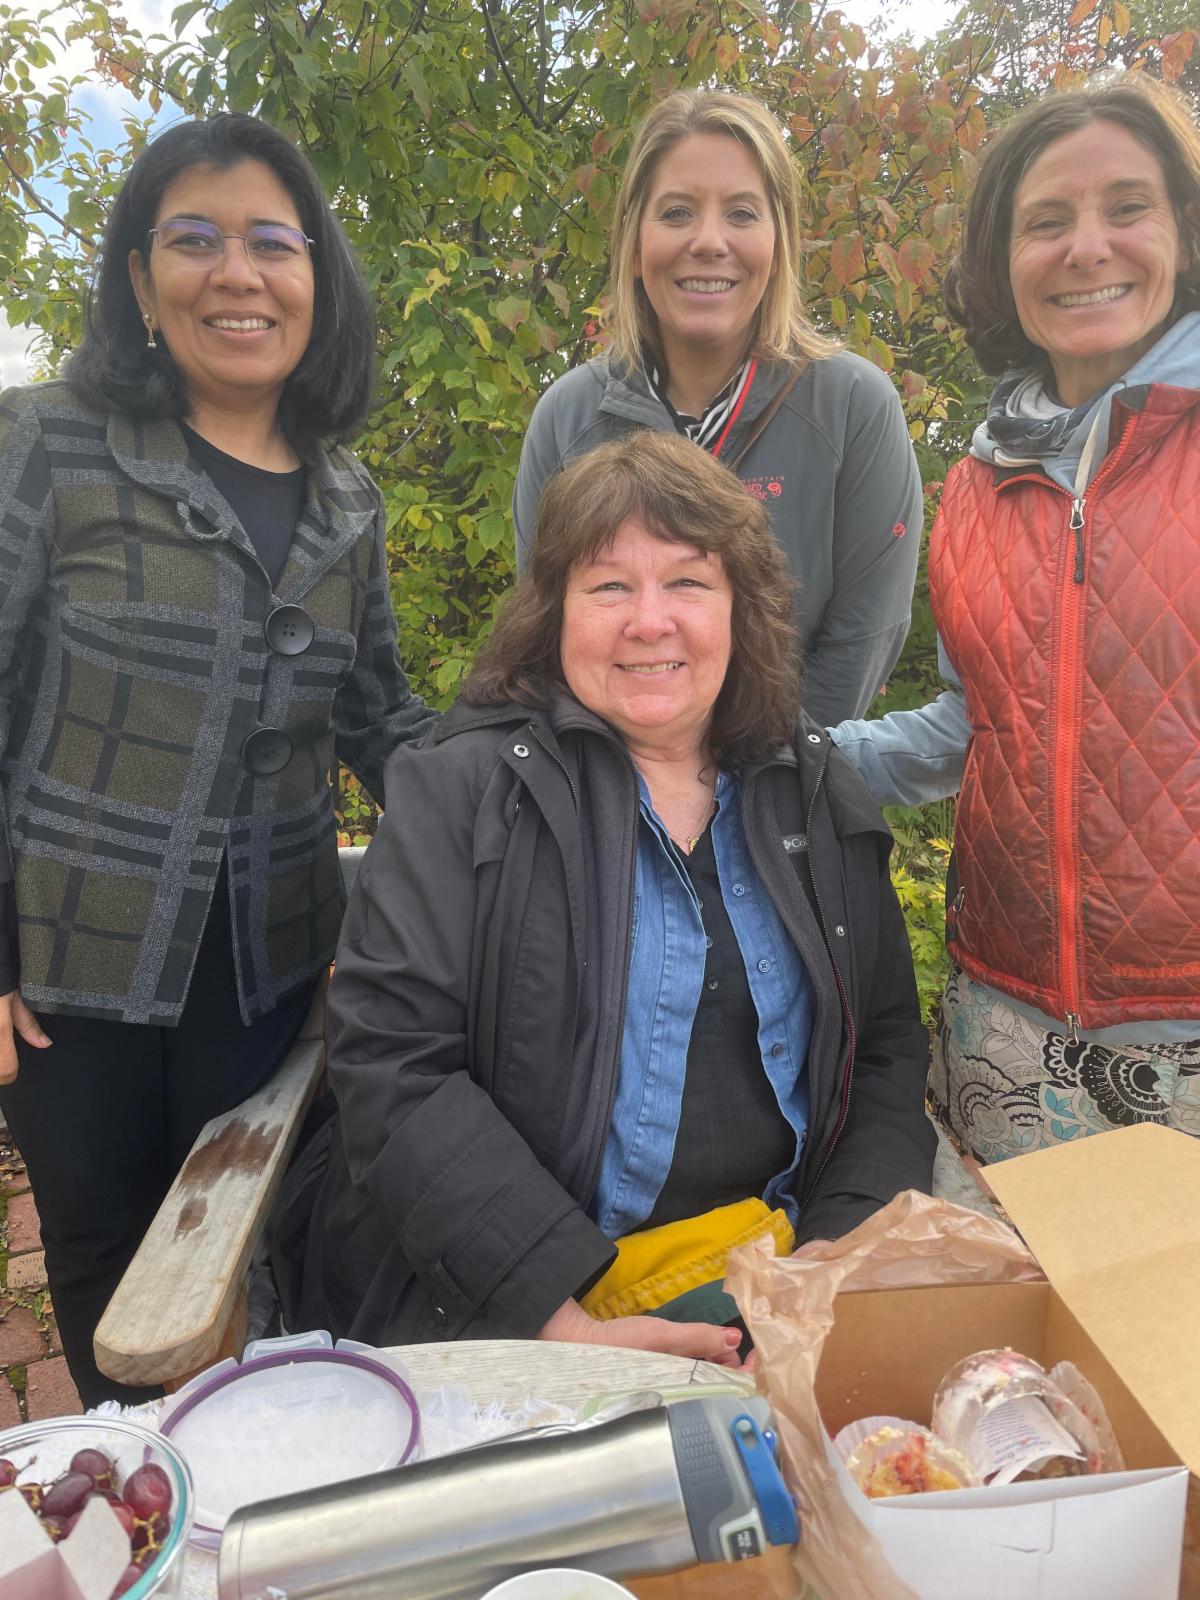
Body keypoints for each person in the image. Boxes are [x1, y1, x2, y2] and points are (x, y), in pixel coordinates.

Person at [293, 430, 933, 1361]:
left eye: (688, 582)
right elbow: (395, 1063)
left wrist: (835, 1254)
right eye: (608, 587)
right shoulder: (458, 790)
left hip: (779, 1285)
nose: (650, 621)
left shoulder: (814, 792)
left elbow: (884, 1048)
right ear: (553, 610)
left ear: (741, 609)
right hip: (514, 1309)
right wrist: (563, 1323)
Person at [0, 113, 435, 1405]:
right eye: (193, 239)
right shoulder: (49, 444)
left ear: (317, 279)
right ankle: (147, 1485)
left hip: (268, 972)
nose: (235, 273)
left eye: (270, 243)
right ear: (142, 279)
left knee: (245, 1254)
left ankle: (247, 1464)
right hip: (71, 967)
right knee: (105, 1261)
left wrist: (525, 802)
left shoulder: (348, 500)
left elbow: (382, 720)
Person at [830, 76, 1200, 1166]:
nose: (1087, 248)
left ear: (1182, 232)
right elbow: (972, 727)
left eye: (1127, 207)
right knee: (1001, 1290)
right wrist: (782, 760)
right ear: (1002, 260)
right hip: (1007, 1030)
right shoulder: (977, 489)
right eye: (1046, 221)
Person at [512, 89, 922, 728]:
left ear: (779, 242)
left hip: (787, 771)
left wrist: (768, 775)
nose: (708, 241)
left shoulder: (853, 406)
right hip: (602, 778)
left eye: (742, 213)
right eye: (677, 212)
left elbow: (862, 638)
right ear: (634, 241)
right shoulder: (566, 418)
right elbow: (549, 631)